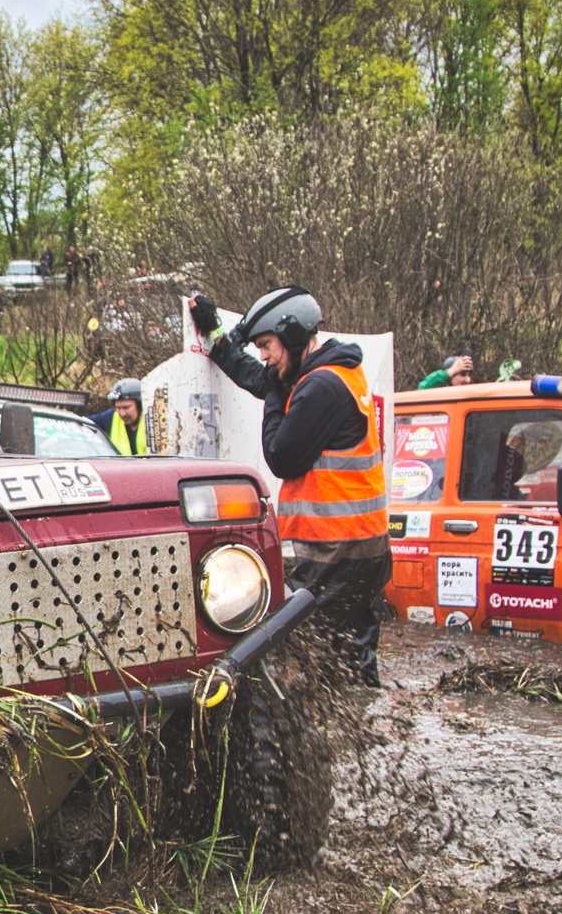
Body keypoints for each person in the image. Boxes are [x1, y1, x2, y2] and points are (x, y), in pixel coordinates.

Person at [191, 284, 388, 684]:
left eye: (266, 345)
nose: (263, 356)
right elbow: (258, 377)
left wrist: (272, 394)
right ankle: (366, 713)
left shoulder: (321, 387)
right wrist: (216, 337)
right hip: (362, 547)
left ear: (293, 335)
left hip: (337, 551)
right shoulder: (330, 373)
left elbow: (280, 455)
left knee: (295, 648)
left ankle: (306, 719)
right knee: (351, 652)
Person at [91, 378, 148, 455]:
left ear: (140, 405)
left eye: (126, 408)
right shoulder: (111, 417)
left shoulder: (153, 420)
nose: (122, 413)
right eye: (118, 408)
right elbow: (83, 422)